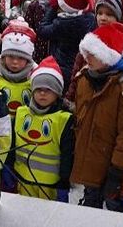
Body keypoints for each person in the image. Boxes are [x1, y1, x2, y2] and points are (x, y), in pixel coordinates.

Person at [70, 22, 123, 211]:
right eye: (85, 52)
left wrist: (116, 172)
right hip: (89, 161)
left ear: (109, 56)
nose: (87, 57)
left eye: (93, 53)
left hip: (112, 167)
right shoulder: (85, 79)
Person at [7, 56, 75, 200]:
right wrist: (9, 168)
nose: (42, 93)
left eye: (48, 90)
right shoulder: (21, 113)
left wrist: (64, 183)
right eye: (38, 90)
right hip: (22, 181)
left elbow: (67, 155)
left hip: (50, 186)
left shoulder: (64, 119)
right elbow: (12, 144)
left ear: (57, 93)